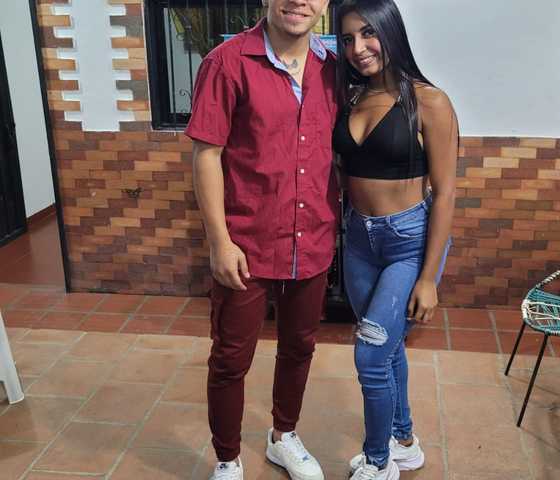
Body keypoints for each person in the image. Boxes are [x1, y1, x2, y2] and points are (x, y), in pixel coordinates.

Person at [184, 0, 339, 478]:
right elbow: (206, 155)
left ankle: (283, 436)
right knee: (230, 359)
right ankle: (227, 459)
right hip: (246, 245)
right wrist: (219, 241)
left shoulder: (334, 68)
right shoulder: (226, 63)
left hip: (312, 239)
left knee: (299, 347)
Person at [331, 0, 459, 478]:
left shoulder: (429, 101)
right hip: (359, 241)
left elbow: (445, 194)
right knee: (388, 350)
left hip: (408, 242)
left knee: (369, 355)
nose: (358, 48)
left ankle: (378, 461)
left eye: (368, 33)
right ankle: (404, 440)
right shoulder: (352, 99)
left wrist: (428, 279)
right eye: (348, 39)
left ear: (391, 32)